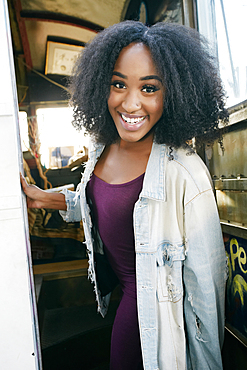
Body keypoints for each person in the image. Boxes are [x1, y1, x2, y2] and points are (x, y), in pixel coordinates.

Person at [21, 21, 229, 370]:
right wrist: (42, 197)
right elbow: (101, 204)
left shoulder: (184, 171)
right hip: (120, 295)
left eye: (149, 88)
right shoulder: (102, 149)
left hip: (151, 316)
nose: (131, 103)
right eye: (119, 84)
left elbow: (207, 288)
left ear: (175, 93)